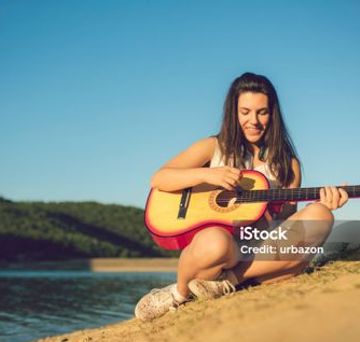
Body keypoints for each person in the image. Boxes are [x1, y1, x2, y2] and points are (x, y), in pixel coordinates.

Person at [135, 72, 349, 321]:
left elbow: (286, 228)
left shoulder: (288, 165)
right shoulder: (214, 147)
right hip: (215, 249)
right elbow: (160, 178)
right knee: (216, 242)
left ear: (273, 114)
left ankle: (229, 281)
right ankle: (179, 294)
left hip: (256, 252)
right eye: (245, 111)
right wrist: (208, 176)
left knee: (320, 216)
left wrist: (322, 205)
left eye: (262, 112)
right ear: (233, 112)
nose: (253, 121)